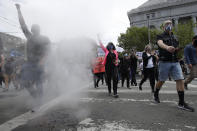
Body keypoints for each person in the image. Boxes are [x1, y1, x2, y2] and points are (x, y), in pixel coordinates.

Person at [154, 20, 194, 112]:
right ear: (163, 27)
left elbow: (175, 49)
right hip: (164, 62)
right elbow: (160, 43)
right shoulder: (160, 36)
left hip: (175, 62)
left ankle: (181, 103)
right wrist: (167, 47)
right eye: (167, 24)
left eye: (170, 24)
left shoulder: (175, 37)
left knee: (180, 79)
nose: (169, 25)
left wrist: (177, 50)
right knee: (161, 81)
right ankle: (156, 94)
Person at [15, 4, 50, 99]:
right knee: (24, 81)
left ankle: (39, 101)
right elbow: (22, 24)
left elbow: (48, 51)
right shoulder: (29, 37)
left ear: (39, 30)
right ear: (32, 30)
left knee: (39, 82)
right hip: (29, 63)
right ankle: (35, 95)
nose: (34, 30)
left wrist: (43, 60)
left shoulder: (44, 39)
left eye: (36, 28)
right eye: (33, 28)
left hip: (39, 63)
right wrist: (18, 10)